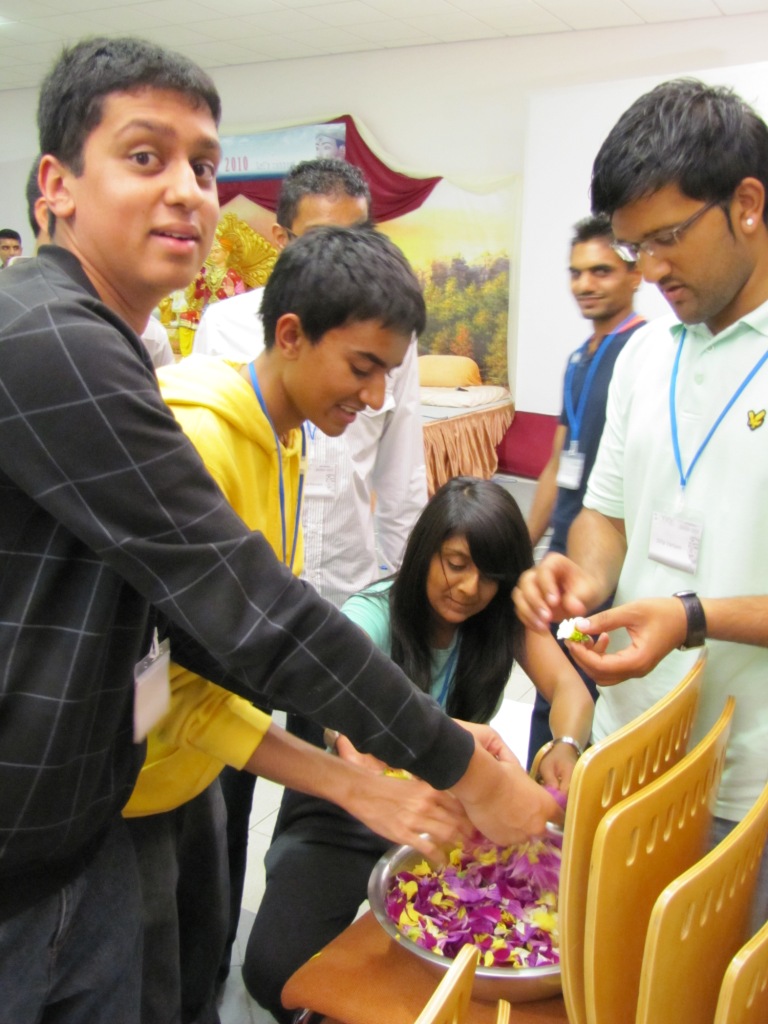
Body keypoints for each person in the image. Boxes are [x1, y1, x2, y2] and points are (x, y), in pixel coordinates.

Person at [0, 35, 557, 1022]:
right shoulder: (51, 340)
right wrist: (448, 768)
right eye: (145, 156)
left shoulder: (115, 347)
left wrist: (378, 757)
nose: (187, 191)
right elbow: (254, 613)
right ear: (56, 184)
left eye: (204, 167)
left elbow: (228, 643)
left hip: (88, 812)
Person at [124, 226, 469, 1024]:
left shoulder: (288, 437)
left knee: (201, 967)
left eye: (388, 372)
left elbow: (234, 654)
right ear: (289, 335)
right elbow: (168, 680)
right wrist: (352, 785)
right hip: (138, 786)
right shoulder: (201, 444)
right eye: (363, 368)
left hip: (191, 766)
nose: (377, 398)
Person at [513, 77, 768, 925]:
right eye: (633, 249)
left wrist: (691, 616)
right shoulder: (646, 352)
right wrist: (581, 582)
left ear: (747, 203)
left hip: (749, 779)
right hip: (628, 746)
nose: (648, 271)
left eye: (666, 239)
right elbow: (608, 516)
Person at [195, 157, 428, 981]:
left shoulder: (311, 414)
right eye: (360, 371)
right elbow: (187, 702)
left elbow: (402, 491)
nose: (372, 396)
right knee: (213, 815)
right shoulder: (221, 387)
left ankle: (277, 939)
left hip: (332, 610)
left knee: (316, 806)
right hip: (234, 630)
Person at [245, 476, 594, 1022]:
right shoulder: (371, 616)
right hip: (346, 812)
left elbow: (570, 689)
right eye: (456, 563)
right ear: (425, 549)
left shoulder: (497, 620)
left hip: (451, 813)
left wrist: (566, 745)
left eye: (491, 576)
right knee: (274, 970)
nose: (469, 588)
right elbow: (347, 714)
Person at [524, 215, 644, 766]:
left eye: (601, 270)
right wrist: (521, 547)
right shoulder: (578, 357)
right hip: (559, 558)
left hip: (606, 569)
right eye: (576, 273)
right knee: (548, 692)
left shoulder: (644, 354)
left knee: (590, 698)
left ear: (636, 272)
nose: (584, 285)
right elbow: (555, 462)